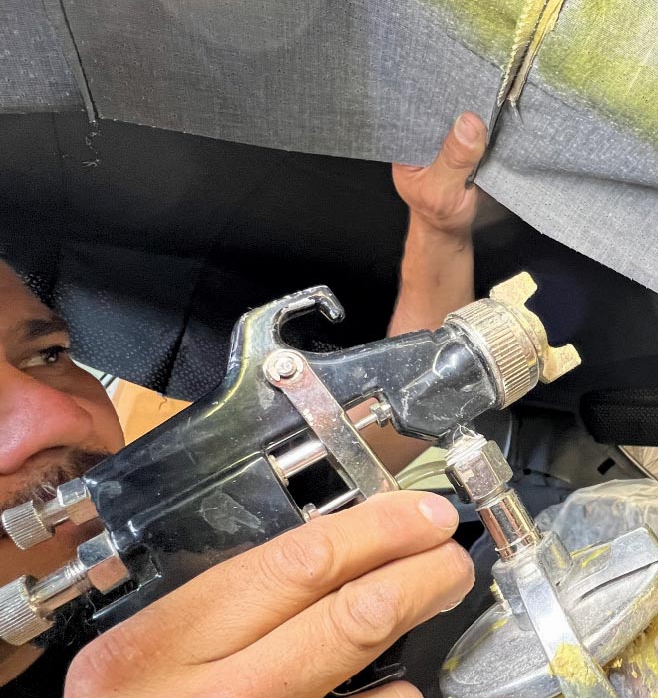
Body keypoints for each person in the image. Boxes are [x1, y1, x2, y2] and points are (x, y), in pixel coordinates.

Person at [0, 113, 489, 697]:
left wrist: (439, 230)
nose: (60, 417)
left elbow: (366, 431)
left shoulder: (155, 517)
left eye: (48, 356)